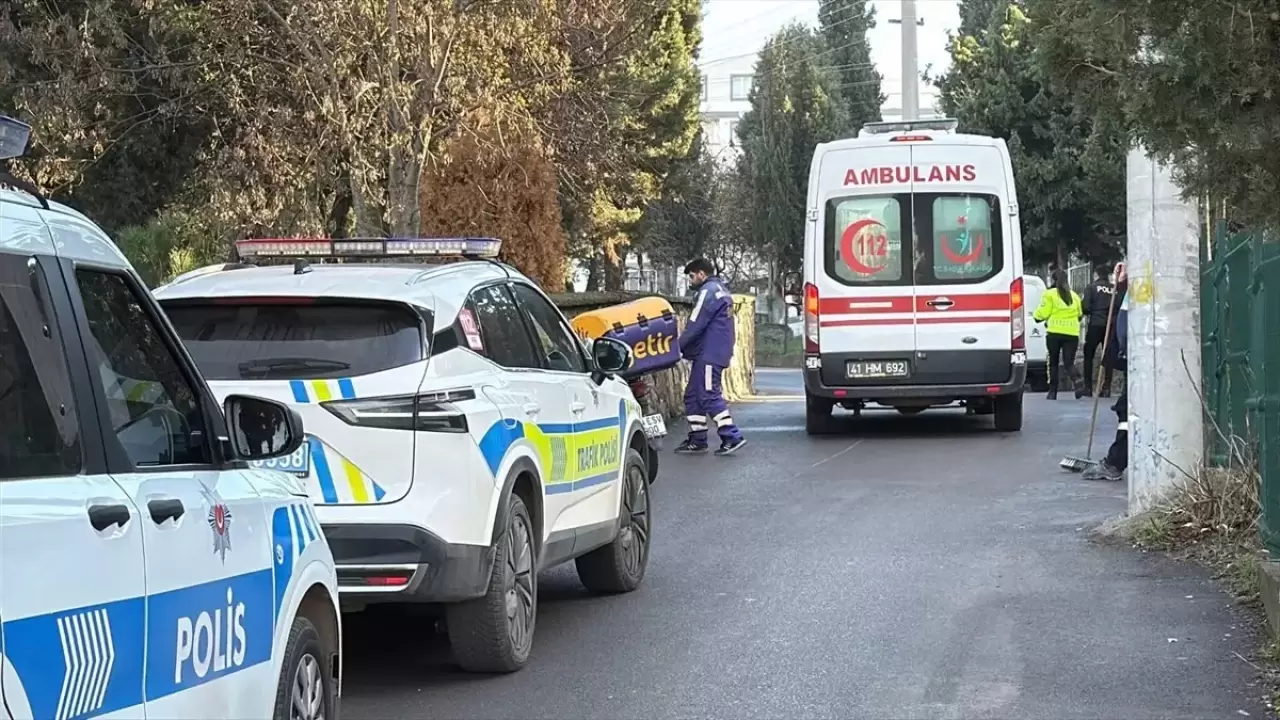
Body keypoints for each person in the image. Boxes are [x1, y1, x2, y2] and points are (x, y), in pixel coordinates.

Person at [674, 258, 746, 456]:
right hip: (713, 351)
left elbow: (695, 323)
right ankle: (697, 438)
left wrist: (677, 347)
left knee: (708, 393)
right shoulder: (721, 289)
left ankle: (731, 436)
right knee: (693, 395)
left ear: (701, 274)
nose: (690, 281)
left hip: (709, 353)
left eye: (691, 276)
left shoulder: (707, 292)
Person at [1084, 262, 1129, 481]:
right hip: (1127, 354)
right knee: (1125, 409)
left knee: (1127, 410)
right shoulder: (1124, 289)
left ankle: (1115, 462)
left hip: (1134, 355)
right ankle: (1115, 461)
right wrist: (1122, 285)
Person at [1032, 269, 1085, 400]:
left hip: (1054, 333)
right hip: (1072, 333)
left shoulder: (1049, 294)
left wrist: (1035, 315)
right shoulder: (1074, 296)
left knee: (1053, 362)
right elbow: (1080, 315)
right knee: (1069, 363)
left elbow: (1042, 314)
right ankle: (1077, 379)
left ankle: (1052, 391)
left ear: (1054, 280)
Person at [1081, 264, 1117, 397]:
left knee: (1088, 354)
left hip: (1095, 323)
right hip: (1111, 325)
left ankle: (1088, 387)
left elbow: (1085, 307)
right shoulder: (1114, 288)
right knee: (1108, 356)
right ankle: (1106, 387)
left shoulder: (1091, 288)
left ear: (1096, 275)